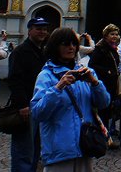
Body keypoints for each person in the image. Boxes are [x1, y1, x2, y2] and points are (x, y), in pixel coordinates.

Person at [31, 26, 111, 171]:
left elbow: (104, 103)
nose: (71, 47)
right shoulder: (46, 76)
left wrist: (94, 83)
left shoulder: (86, 73)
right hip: (59, 151)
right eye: (66, 44)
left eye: (74, 44)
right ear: (55, 47)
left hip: (84, 147)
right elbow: (38, 112)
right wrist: (58, 88)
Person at [7, 16, 50, 172]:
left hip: (41, 105)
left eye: (45, 29)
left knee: (37, 145)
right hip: (27, 106)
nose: (42, 32)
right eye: (38, 28)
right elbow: (14, 80)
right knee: (23, 147)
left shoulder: (43, 51)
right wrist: (22, 105)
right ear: (29, 30)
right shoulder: (20, 52)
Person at [87, 25, 121, 149]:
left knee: (108, 113)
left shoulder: (113, 49)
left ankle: (106, 138)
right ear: (106, 35)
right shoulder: (100, 49)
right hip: (103, 85)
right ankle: (101, 139)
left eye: (116, 34)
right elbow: (92, 65)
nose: (115, 37)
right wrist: (108, 72)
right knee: (102, 113)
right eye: (112, 34)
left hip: (111, 85)